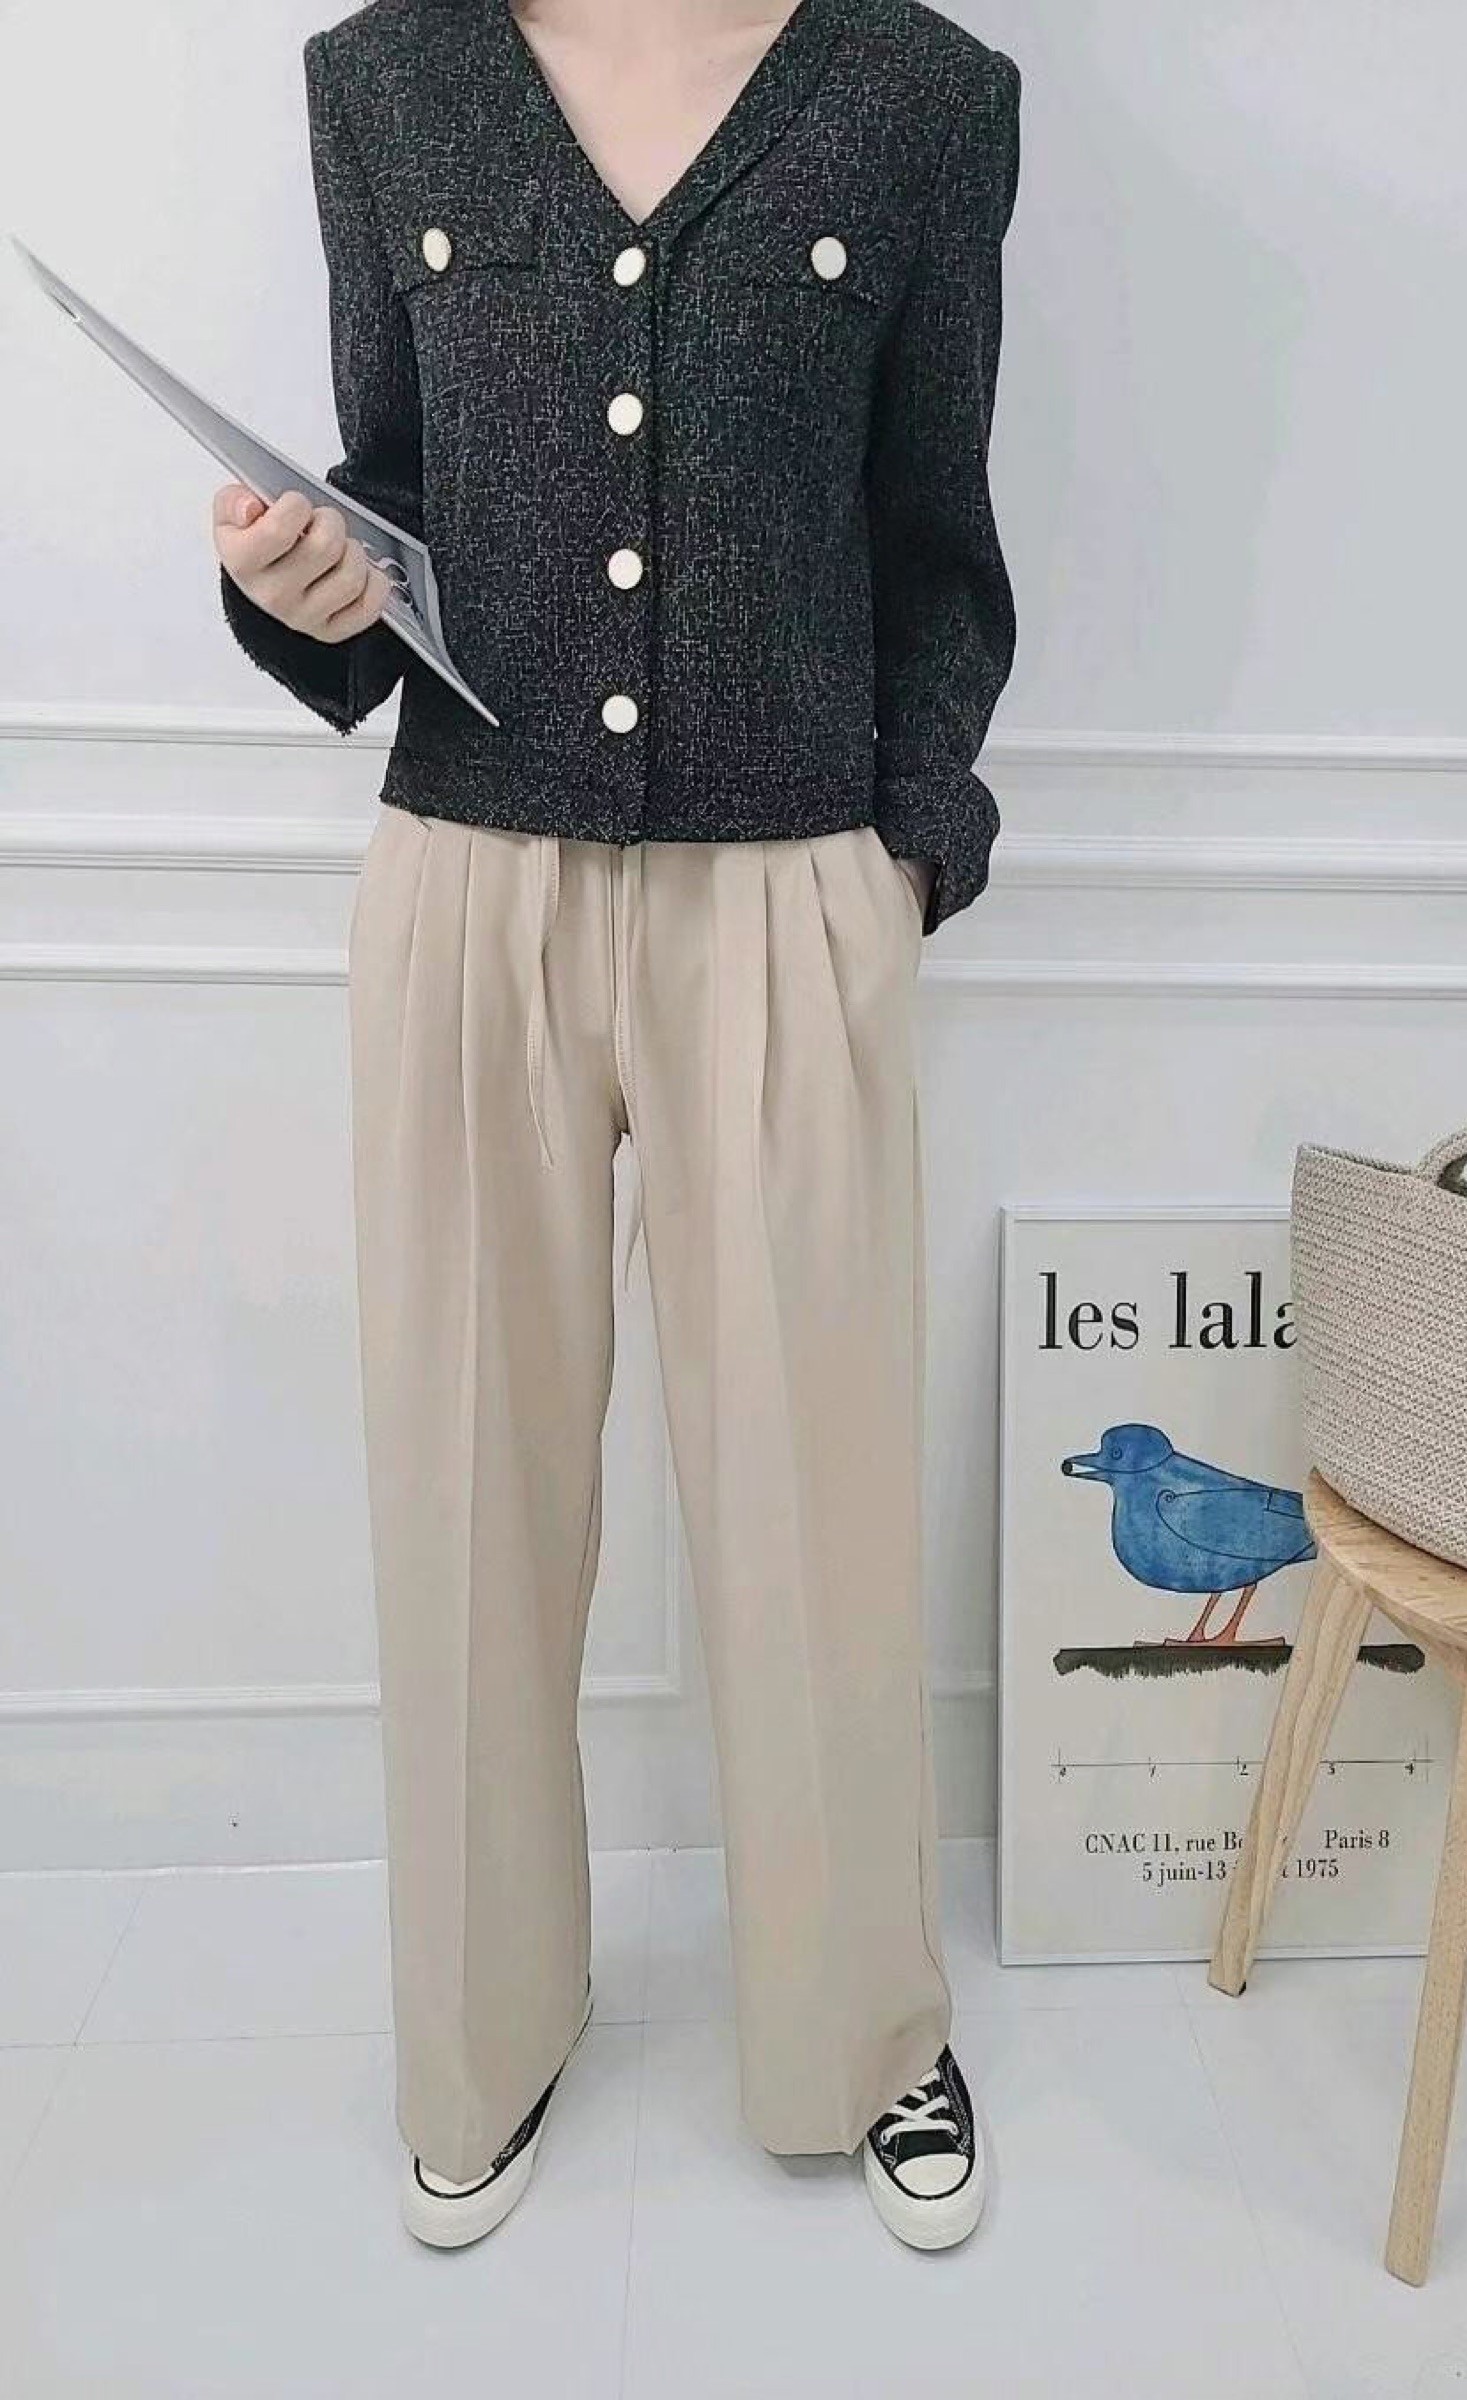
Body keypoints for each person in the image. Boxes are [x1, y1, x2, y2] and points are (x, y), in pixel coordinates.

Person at [212, 0, 1020, 2254]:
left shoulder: (925, 100)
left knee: (813, 1493)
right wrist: (297, 592)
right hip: (471, 881)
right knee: (465, 1481)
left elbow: (939, 547)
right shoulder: (385, 83)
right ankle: (482, 2027)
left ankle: (861, 2024)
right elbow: (390, 503)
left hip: (790, 888)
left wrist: (902, 854)